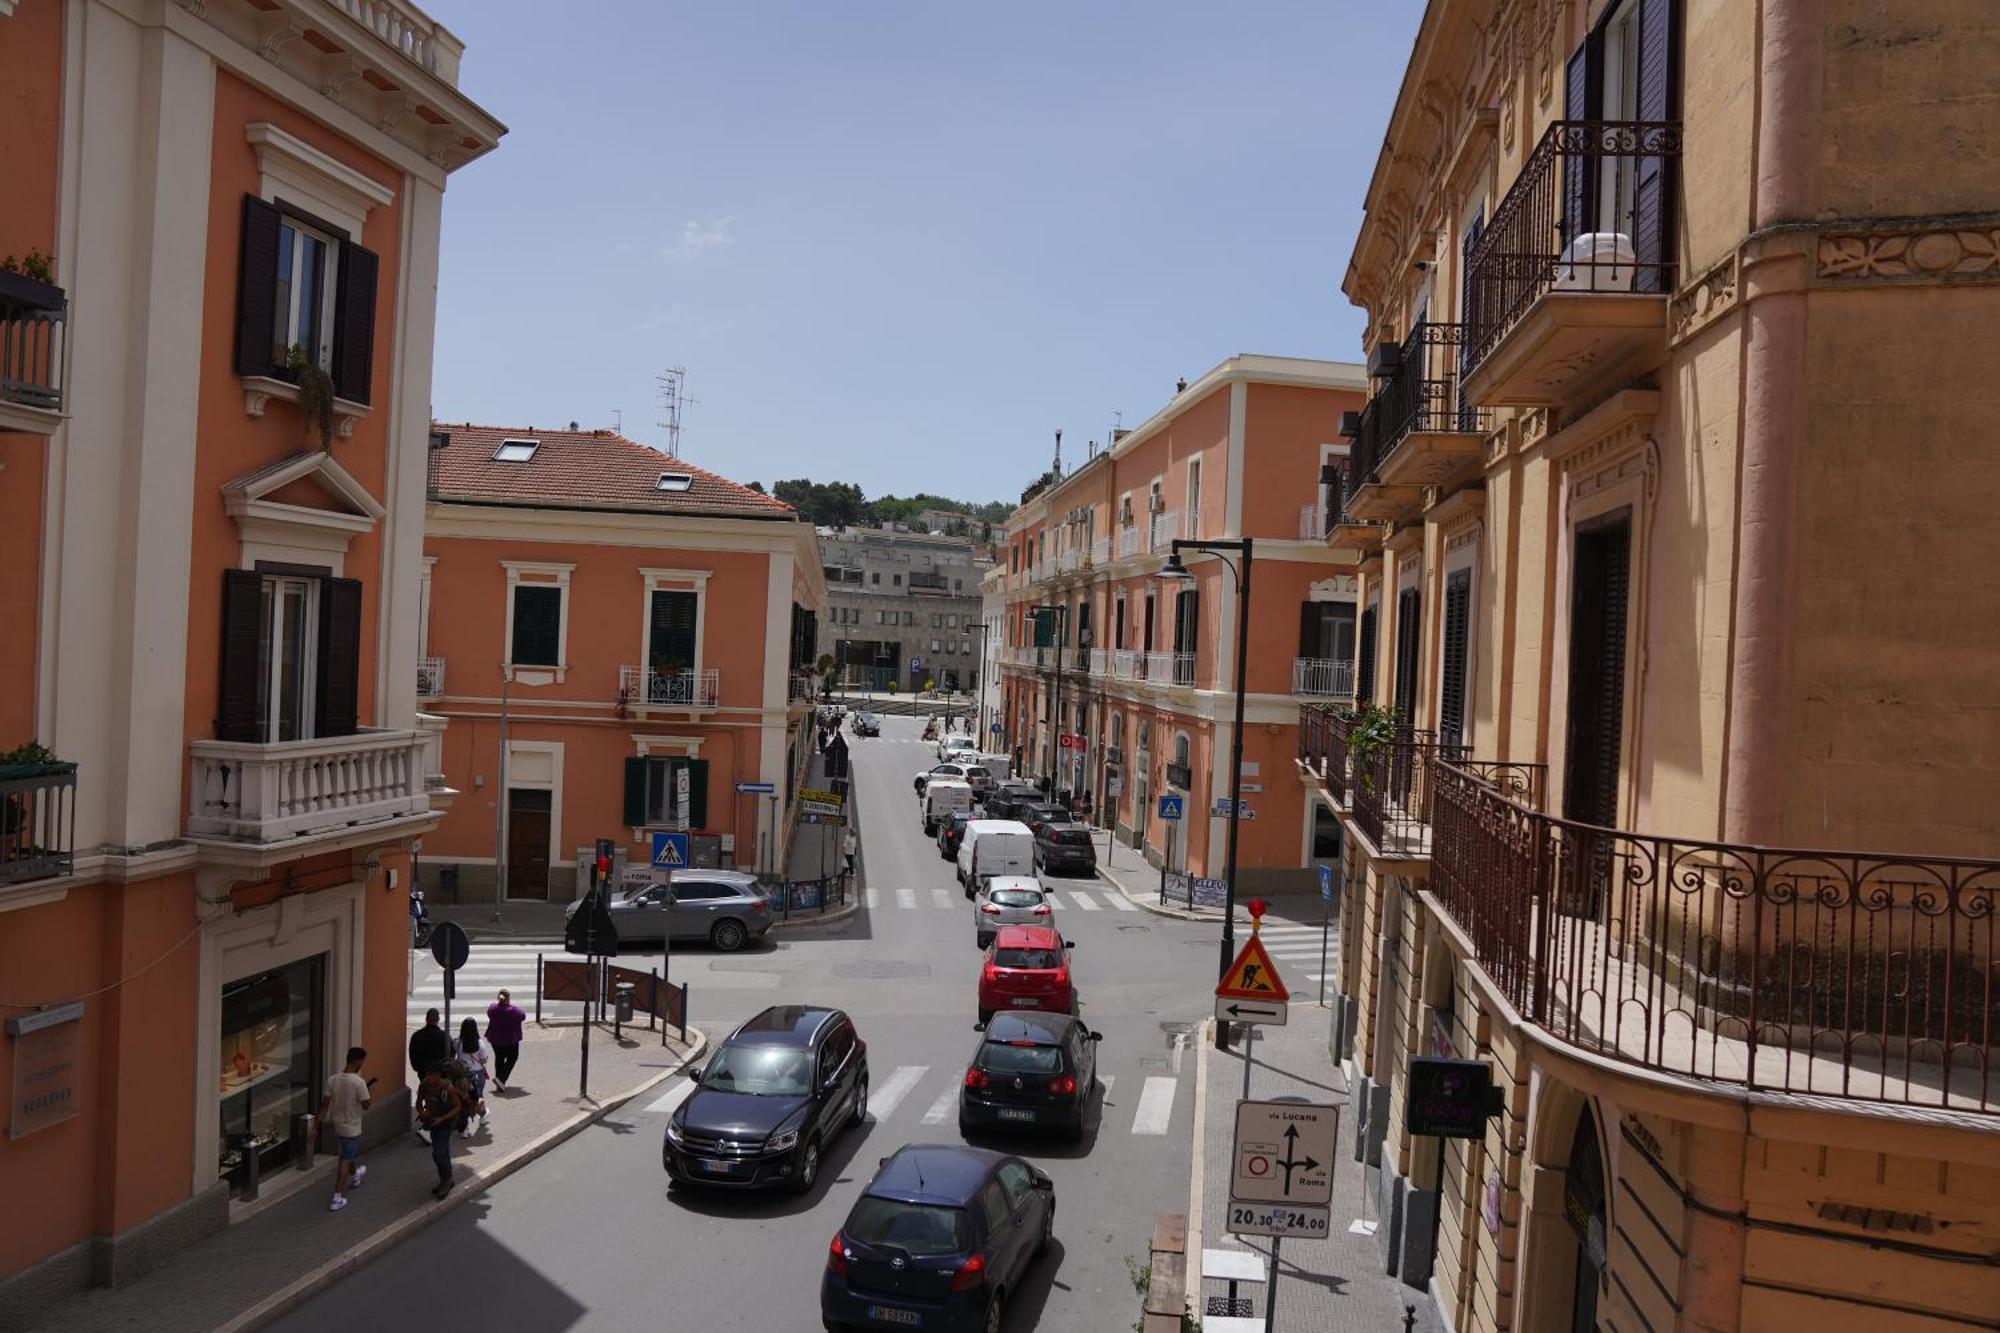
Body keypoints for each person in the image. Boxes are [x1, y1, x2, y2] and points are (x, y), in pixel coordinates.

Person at [317, 1047, 374, 1213]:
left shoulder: (333, 1079)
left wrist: (315, 1127)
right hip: (352, 1127)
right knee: (344, 1159)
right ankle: (337, 1197)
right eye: (362, 1062)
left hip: (338, 1126)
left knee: (347, 1154)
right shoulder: (359, 1082)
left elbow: (324, 1105)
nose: (363, 1065)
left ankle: (355, 1174)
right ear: (357, 1061)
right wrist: (368, 1095)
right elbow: (366, 1106)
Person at [416, 1062, 462, 1199]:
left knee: (439, 1153)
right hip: (432, 1122)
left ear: (438, 1075)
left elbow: (457, 1107)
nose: (428, 1078)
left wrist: (442, 1119)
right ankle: (446, 1179)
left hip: (445, 1123)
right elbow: (418, 1102)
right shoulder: (424, 1085)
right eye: (426, 1074)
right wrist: (421, 1112)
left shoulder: (448, 1088)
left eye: (431, 1075)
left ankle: (446, 1181)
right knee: (439, 1152)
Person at [407, 1010, 448, 1141]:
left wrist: (418, 1069)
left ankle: (429, 1126)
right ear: (438, 1019)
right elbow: (450, 1055)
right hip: (439, 1075)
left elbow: (412, 1054)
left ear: (426, 1019)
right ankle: (427, 1128)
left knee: (428, 1097)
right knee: (437, 1101)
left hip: (423, 1073)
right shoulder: (443, 1036)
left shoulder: (417, 1036)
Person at [451, 1017, 490, 1136]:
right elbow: (484, 1059)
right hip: (478, 1074)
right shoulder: (480, 1043)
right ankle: (482, 1114)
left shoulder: (458, 1042)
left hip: (462, 1075)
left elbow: (454, 1056)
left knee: (464, 1100)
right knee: (477, 1097)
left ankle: (465, 1128)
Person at [486, 989, 526, 1091]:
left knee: (499, 1058)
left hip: (495, 1039)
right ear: (508, 998)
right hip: (510, 1040)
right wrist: (511, 1005)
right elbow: (523, 1016)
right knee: (512, 1058)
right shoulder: (513, 1010)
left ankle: (500, 1083)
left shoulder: (492, 1008)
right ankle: (501, 1079)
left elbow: (489, 1013)